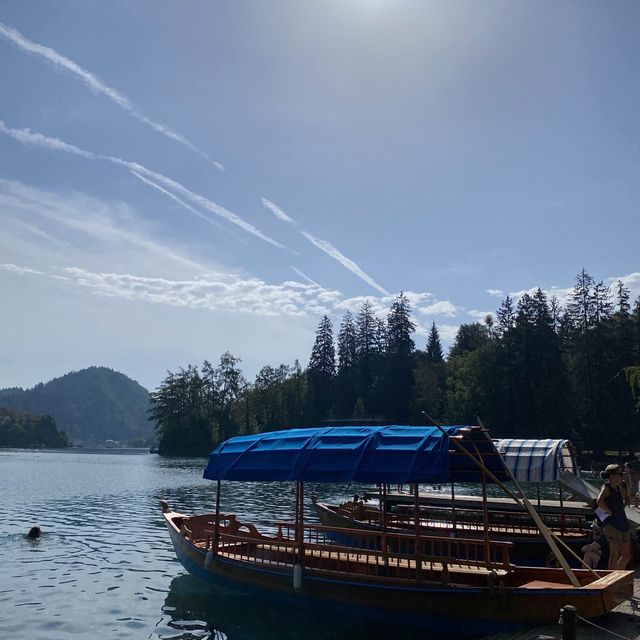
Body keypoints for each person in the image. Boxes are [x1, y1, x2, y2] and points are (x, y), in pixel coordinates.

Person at [596, 464, 631, 569]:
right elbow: (599, 501)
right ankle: (611, 577)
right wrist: (608, 511)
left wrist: (623, 505)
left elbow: (626, 498)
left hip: (622, 522)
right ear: (611, 475)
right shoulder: (607, 487)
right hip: (611, 524)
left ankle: (618, 574)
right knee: (614, 554)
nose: (622, 475)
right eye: (619, 474)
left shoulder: (620, 487)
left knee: (626, 555)